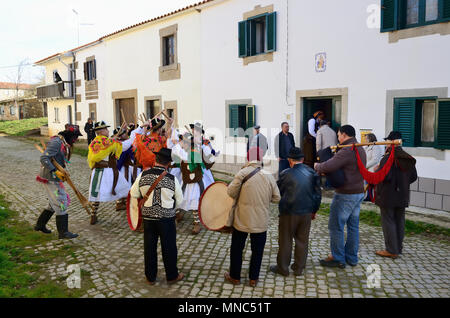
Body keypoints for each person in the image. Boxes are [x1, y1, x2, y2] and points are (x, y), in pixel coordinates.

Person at [224, 147, 281, 287]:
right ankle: (253, 278)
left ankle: (235, 277)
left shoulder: (242, 173)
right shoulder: (268, 175)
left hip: (241, 219)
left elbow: (231, 192)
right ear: (261, 159)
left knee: (237, 248)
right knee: (258, 250)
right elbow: (277, 198)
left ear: (248, 158)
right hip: (260, 220)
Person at [130, 148, 184, 285]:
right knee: (169, 247)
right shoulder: (172, 179)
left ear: (155, 160)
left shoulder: (143, 175)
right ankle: (172, 276)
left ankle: (150, 277)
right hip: (166, 219)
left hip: (148, 218)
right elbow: (180, 200)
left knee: (149, 248)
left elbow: (133, 193)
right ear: (168, 164)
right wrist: (170, 207)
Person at [314, 125, 366, 268]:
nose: (338, 138)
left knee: (336, 226)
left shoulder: (347, 150)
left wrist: (317, 166)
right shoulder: (360, 148)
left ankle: (337, 258)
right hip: (358, 192)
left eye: (338, 135)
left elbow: (328, 166)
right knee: (353, 227)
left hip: (346, 194)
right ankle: (351, 258)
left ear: (344, 135)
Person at [270, 147, 321, 276]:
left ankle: (283, 268)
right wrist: (314, 211)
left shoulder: (285, 173)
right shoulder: (312, 173)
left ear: (289, 160)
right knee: (302, 240)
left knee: (285, 239)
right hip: (306, 212)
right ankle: (298, 268)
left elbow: (278, 192)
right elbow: (318, 195)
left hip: (289, 211)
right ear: (302, 159)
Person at [375, 131, 417, 259]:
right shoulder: (407, 157)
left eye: (387, 141)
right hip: (402, 194)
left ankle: (391, 250)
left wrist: (377, 170)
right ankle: (398, 248)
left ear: (390, 142)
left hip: (388, 195)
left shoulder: (388, 158)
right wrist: (403, 183)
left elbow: (383, 176)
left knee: (388, 221)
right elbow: (413, 177)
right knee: (399, 221)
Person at [35, 129, 80, 239]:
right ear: (69, 136)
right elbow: (44, 158)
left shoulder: (62, 142)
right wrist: (55, 171)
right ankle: (63, 232)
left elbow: (57, 158)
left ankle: (40, 225)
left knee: (52, 203)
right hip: (51, 177)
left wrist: (62, 170)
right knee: (61, 201)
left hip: (54, 177)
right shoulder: (57, 142)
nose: (76, 139)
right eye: (75, 137)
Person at [87, 121, 131, 224]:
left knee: (96, 194)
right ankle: (131, 210)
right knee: (125, 189)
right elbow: (123, 146)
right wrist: (135, 133)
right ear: (101, 131)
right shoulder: (108, 142)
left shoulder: (95, 142)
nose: (108, 131)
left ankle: (93, 215)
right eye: (106, 129)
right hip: (108, 171)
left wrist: (121, 133)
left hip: (97, 171)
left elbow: (110, 143)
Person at [364, 133, 384, 201]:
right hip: (367, 169)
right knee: (367, 184)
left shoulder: (375, 147)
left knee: (372, 185)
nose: (365, 140)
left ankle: (374, 198)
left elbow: (375, 160)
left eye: (366, 138)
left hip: (372, 169)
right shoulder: (367, 147)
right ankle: (368, 197)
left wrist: (365, 166)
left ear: (371, 138)